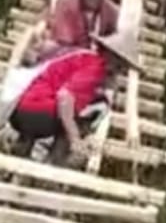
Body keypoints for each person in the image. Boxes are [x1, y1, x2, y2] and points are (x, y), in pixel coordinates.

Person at [8, 28, 140, 164]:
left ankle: (24, 147)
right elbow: (65, 97)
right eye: (119, 65)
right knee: (98, 106)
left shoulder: (84, 58)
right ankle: (54, 162)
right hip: (35, 112)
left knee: (84, 108)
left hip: (21, 108)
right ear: (108, 55)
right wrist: (75, 138)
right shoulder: (95, 67)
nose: (120, 70)